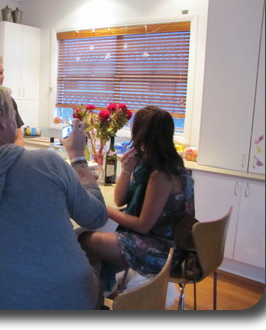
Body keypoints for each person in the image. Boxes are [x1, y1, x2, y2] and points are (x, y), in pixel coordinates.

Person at [0, 80, 108, 310]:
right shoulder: (46, 163)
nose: (16, 121)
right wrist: (77, 158)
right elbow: (96, 217)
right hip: (75, 302)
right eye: (14, 114)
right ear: (3, 118)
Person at [78, 105, 195, 293]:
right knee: (92, 239)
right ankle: (103, 289)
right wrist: (126, 170)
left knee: (85, 239)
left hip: (165, 251)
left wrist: (104, 209)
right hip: (159, 241)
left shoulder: (162, 174)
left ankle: (96, 293)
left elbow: (142, 226)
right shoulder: (155, 163)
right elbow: (120, 200)